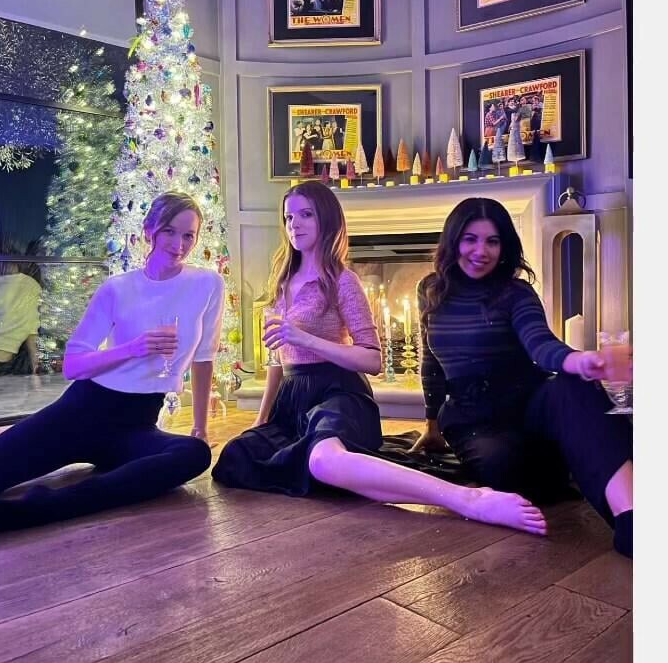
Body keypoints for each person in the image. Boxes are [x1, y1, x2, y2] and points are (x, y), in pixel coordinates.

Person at [213, 182, 551, 537]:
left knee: (323, 460)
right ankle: (347, 469)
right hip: (293, 399)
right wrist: (262, 419)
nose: (294, 224)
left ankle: (468, 499)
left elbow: (372, 359)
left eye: (306, 214)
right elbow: (278, 362)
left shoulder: (343, 281)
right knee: (236, 456)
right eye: (289, 217)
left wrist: (304, 338)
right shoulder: (282, 282)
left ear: (327, 219)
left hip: (338, 393)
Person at [0, 192, 225, 532]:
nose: (179, 244)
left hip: (137, 424)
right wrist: (132, 349)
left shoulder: (207, 284)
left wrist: (200, 428)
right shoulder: (118, 288)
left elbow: (203, 358)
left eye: (189, 235)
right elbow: (73, 365)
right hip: (81, 412)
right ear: (149, 230)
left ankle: (44, 507)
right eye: (169, 231)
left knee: (194, 454)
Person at [406, 198, 633, 556]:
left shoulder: (515, 292)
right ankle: (573, 461)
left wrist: (580, 361)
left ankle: (633, 518)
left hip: (527, 405)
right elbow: (431, 361)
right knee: (506, 470)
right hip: (471, 419)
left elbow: (540, 344)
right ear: (453, 240)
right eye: (470, 239)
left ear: (504, 247)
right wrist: (431, 425)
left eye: (492, 241)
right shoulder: (431, 289)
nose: (481, 251)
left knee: (574, 386)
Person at [0, 255, 42, 377]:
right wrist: (35, 364)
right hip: (2, 360)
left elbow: (31, 330)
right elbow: (31, 331)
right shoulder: (30, 286)